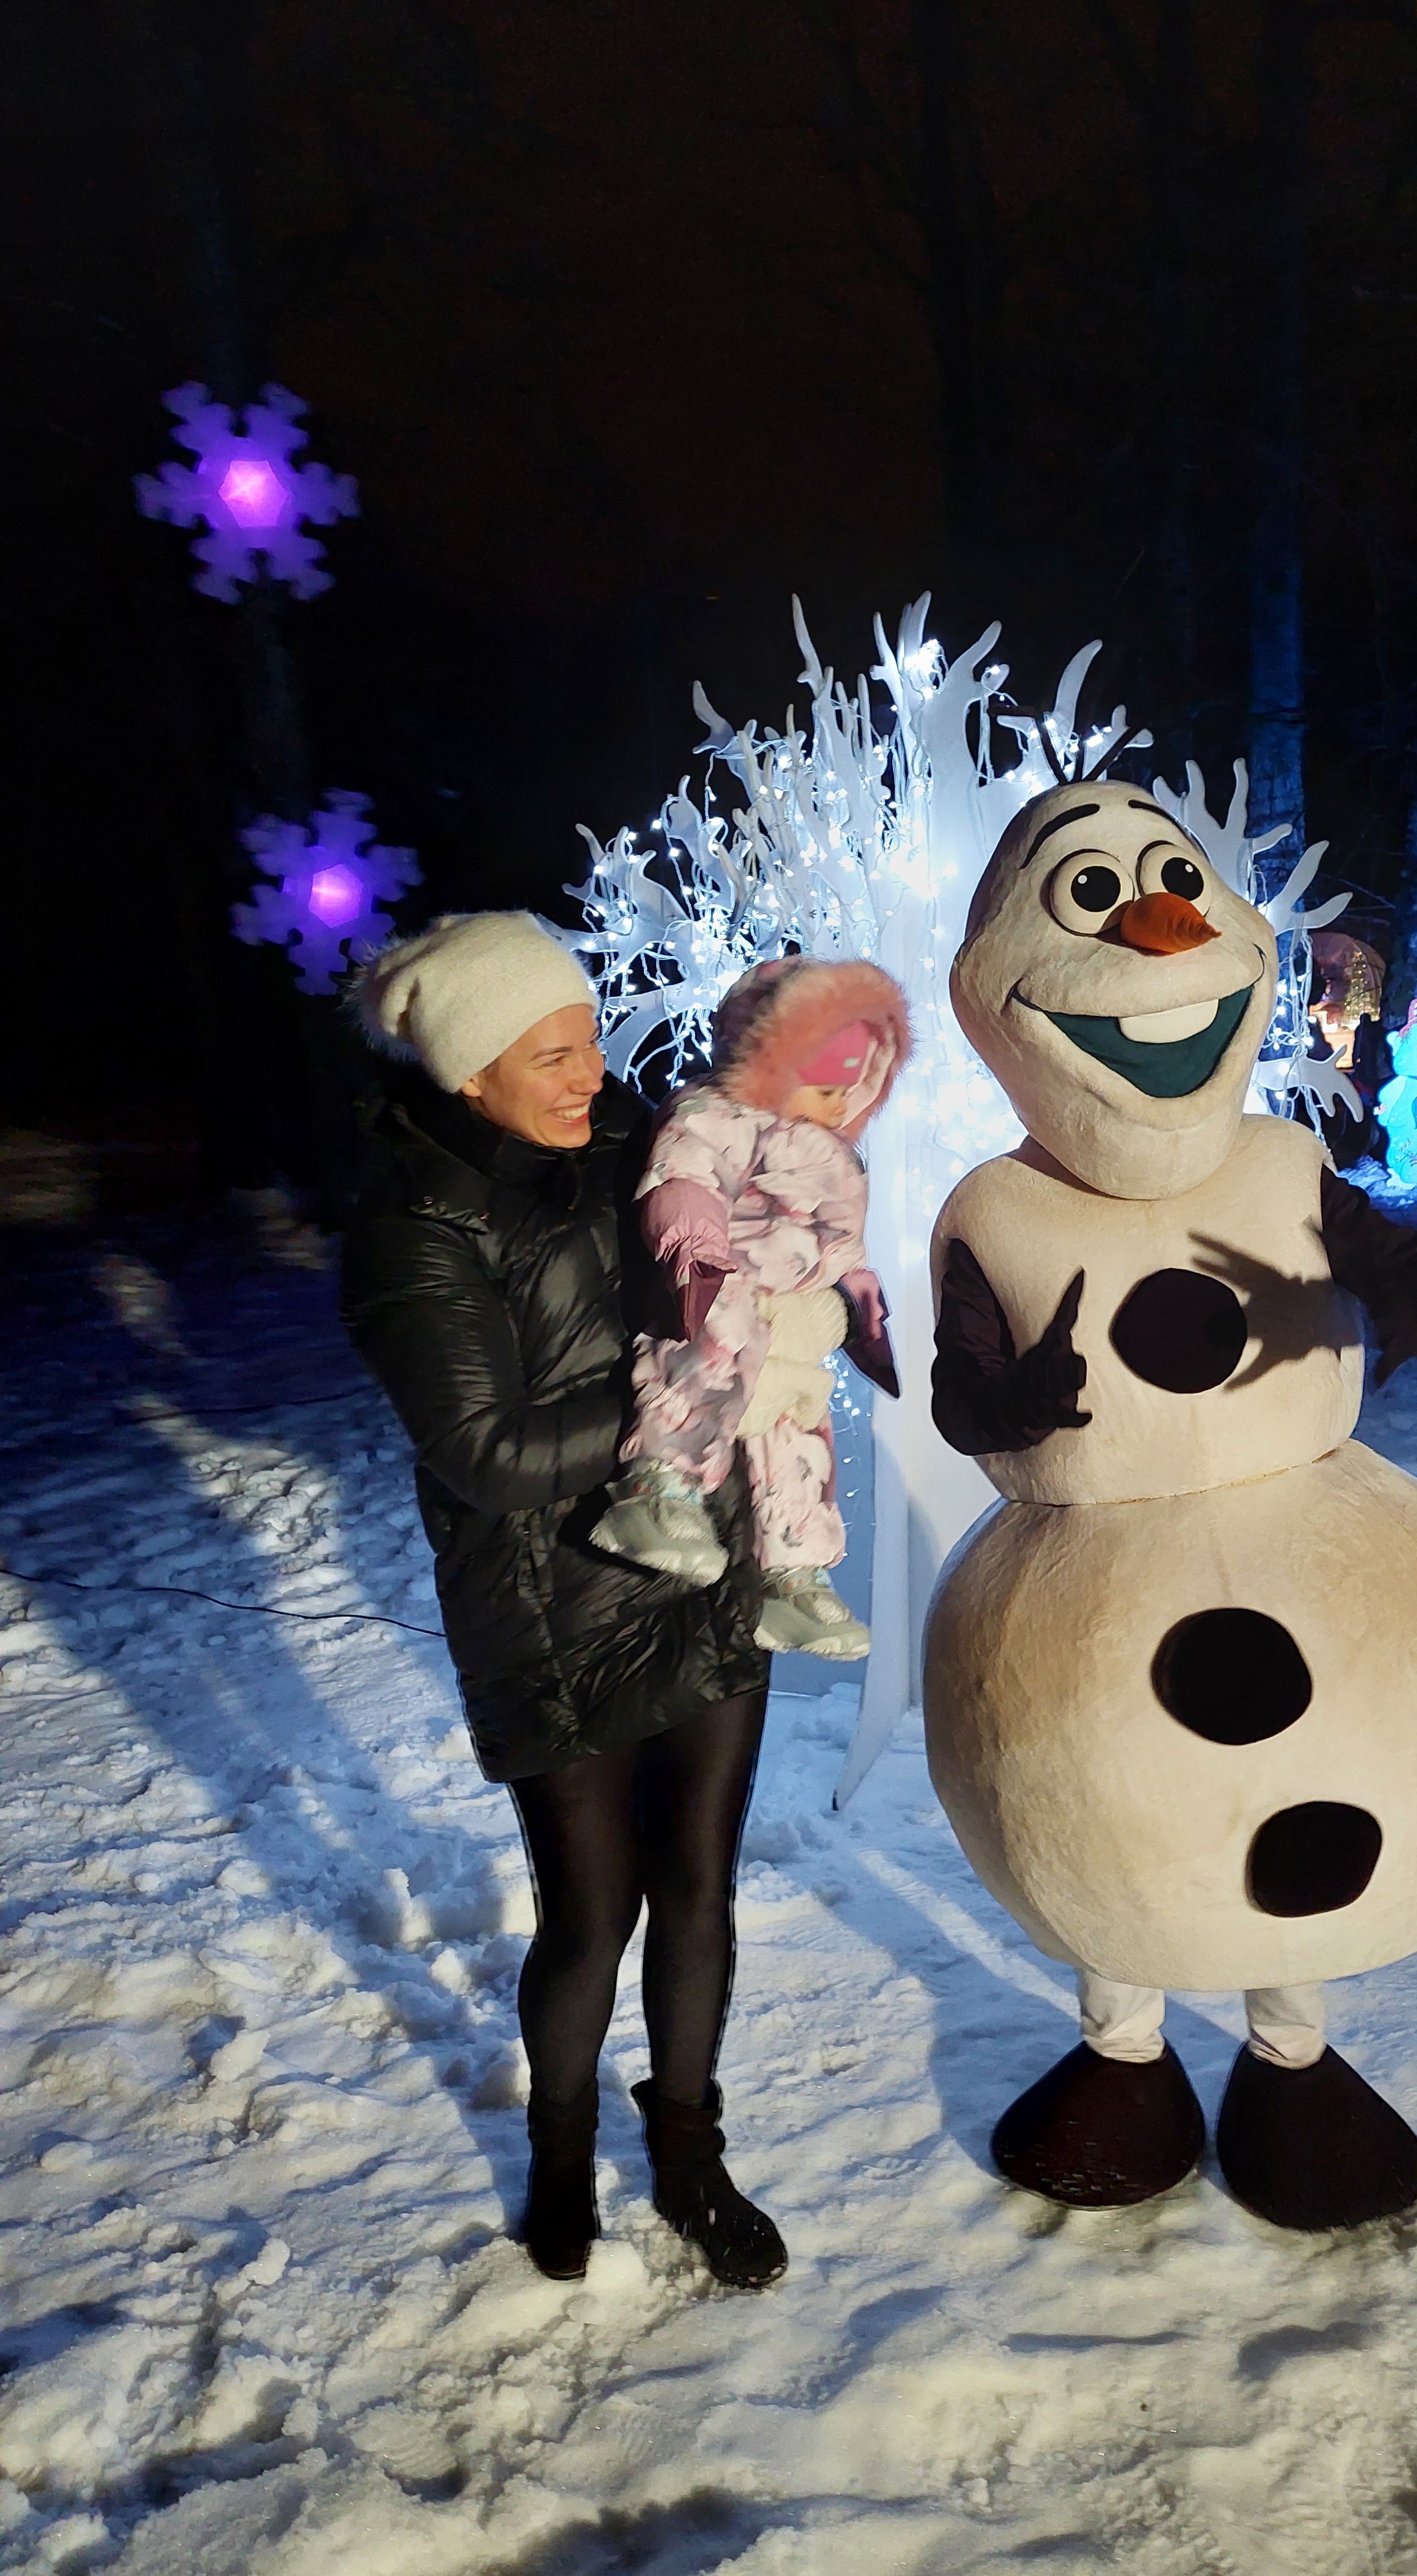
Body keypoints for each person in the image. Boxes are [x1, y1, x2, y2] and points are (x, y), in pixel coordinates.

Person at [341, 910, 814, 2291]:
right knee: (592, 1915)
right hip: (552, 1615)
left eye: (590, 1039)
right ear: (469, 1070)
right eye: (550, 1054)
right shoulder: (411, 1230)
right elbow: (486, 1454)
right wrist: (680, 1388)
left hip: (700, 1566)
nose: (589, 1072)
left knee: (700, 1888)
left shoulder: (636, 1147)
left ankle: (689, 2153)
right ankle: (559, 2154)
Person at [590, 957, 907, 1660]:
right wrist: (696, 1251)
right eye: (824, 1090)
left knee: (796, 1429)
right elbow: (685, 1177)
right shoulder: (716, 1115)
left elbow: (831, 1235)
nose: (837, 1108)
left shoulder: (829, 1148)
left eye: (848, 1093)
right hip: (719, 1283)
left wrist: (855, 1289)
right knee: (711, 1353)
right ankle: (661, 1483)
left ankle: (794, 1570)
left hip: (794, 1309)